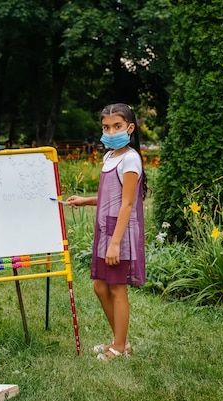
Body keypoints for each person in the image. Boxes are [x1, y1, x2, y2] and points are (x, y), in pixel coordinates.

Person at [66, 103, 147, 361]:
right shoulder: (109, 157)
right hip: (105, 228)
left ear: (130, 128)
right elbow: (109, 197)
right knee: (101, 287)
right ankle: (119, 341)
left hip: (119, 231)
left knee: (116, 288)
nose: (111, 132)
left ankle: (120, 346)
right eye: (106, 127)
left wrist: (115, 243)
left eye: (117, 126)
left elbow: (127, 203)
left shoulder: (131, 158)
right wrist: (86, 200)